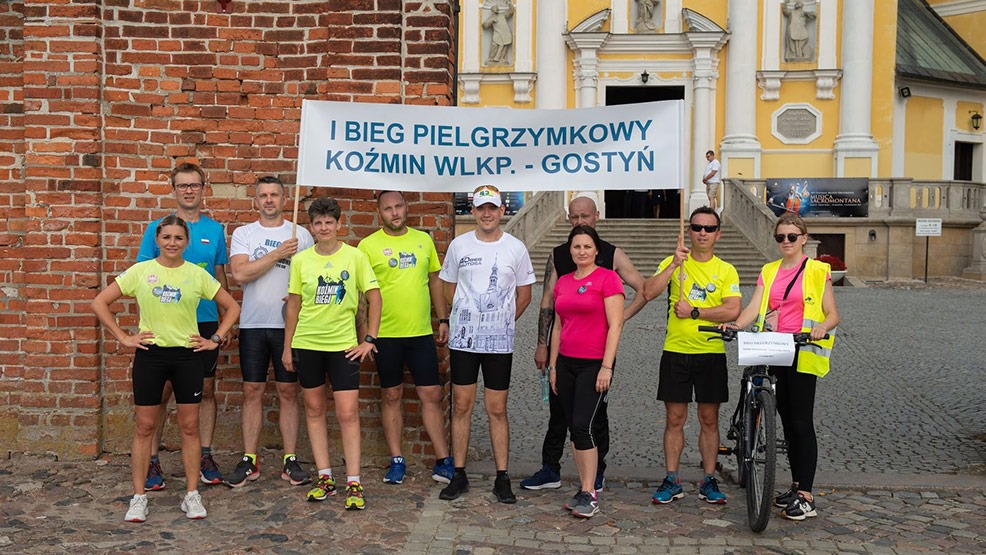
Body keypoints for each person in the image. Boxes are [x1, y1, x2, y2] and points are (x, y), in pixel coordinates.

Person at [92, 215, 240, 522]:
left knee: (190, 427)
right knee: (144, 427)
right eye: (167, 237)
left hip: (188, 357)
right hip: (151, 356)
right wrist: (123, 337)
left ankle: (192, 494)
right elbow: (100, 302)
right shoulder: (141, 271)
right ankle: (138, 497)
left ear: (186, 242)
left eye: (178, 238)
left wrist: (214, 339)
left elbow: (233, 306)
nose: (172, 243)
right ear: (157, 240)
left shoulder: (196, 274)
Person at [523, 195, 647, 493]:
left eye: (585, 216)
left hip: (597, 354)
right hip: (564, 352)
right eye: (574, 216)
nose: (579, 221)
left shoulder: (612, 254)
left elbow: (643, 289)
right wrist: (542, 345)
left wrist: (620, 318)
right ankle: (550, 468)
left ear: (596, 216)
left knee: (594, 415)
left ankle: (596, 472)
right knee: (558, 412)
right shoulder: (558, 255)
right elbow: (547, 303)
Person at [725, 212, 839, 521]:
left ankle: (806, 495)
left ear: (804, 238)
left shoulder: (817, 270)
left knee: (801, 422)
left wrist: (821, 328)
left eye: (791, 236)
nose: (786, 241)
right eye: (780, 237)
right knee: (786, 422)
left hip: (802, 349)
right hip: (773, 347)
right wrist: (736, 325)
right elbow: (754, 306)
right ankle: (796, 485)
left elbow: (832, 313)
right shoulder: (769, 270)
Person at [282, 197, 381, 511]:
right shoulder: (301, 260)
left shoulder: (355, 257)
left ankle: (354, 480)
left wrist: (369, 339)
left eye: (329, 222)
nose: (324, 228)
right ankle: (324, 476)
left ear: (339, 224)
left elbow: (375, 297)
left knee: (347, 413)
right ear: (311, 227)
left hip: (343, 347)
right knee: (313, 410)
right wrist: (287, 346)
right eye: (318, 223)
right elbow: (294, 306)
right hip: (307, 343)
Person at [438, 184, 535, 503]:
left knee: (497, 408)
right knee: (462, 405)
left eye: (492, 207)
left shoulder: (515, 248)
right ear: (474, 211)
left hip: (498, 344)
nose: (487, 213)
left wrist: (503, 320)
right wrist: (465, 313)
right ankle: (459, 473)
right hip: (464, 341)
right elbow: (448, 287)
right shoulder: (459, 245)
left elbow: (524, 295)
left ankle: (502, 476)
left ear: (502, 210)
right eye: (481, 208)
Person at [136, 162, 230, 489]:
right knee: (161, 393)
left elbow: (220, 276)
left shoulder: (215, 230)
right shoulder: (158, 229)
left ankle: (205, 455)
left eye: (195, 185)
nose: (189, 191)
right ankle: (152, 460)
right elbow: (143, 279)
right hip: (165, 324)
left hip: (203, 322)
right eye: (183, 185)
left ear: (204, 188)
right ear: (173, 189)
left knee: (207, 390)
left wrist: (224, 323)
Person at [643, 206, 741, 506]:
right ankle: (672, 478)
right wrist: (673, 265)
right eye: (697, 227)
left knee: (709, 419)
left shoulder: (726, 270)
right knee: (674, 418)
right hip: (676, 351)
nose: (702, 233)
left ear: (718, 234)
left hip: (710, 352)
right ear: (688, 231)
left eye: (709, 229)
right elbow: (648, 292)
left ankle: (709, 478)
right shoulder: (675, 262)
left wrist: (695, 312)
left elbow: (732, 309)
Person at [356, 191, 453, 486]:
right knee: (391, 395)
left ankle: (443, 459)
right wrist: (365, 336)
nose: (395, 212)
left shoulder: (423, 240)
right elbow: (361, 296)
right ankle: (397, 459)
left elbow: (434, 281)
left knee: (431, 394)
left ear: (406, 207)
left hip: (420, 333)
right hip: (385, 335)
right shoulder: (367, 246)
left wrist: (443, 319)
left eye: (399, 206)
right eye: (388, 208)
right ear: (379, 212)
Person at [224, 176, 314, 488]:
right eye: (263, 195)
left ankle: (291, 459)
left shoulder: (301, 234)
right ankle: (249, 459)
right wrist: (277, 254)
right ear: (256, 200)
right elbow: (240, 273)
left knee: (288, 391)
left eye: (274, 194)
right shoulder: (244, 233)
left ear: (284, 199)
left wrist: (301, 296)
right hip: (253, 323)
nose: (269, 200)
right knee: (252, 390)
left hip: (289, 325)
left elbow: (312, 275)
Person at [547, 225, 625, 518]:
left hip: (594, 363)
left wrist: (607, 366)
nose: (582, 251)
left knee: (583, 426)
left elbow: (616, 325)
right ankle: (583, 487)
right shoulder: (564, 282)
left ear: (596, 250)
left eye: (587, 246)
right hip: (566, 363)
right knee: (573, 427)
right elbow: (558, 326)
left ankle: (590, 493)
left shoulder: (608, 278)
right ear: (570, 251)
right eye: (577, 246)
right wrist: (553, 366)